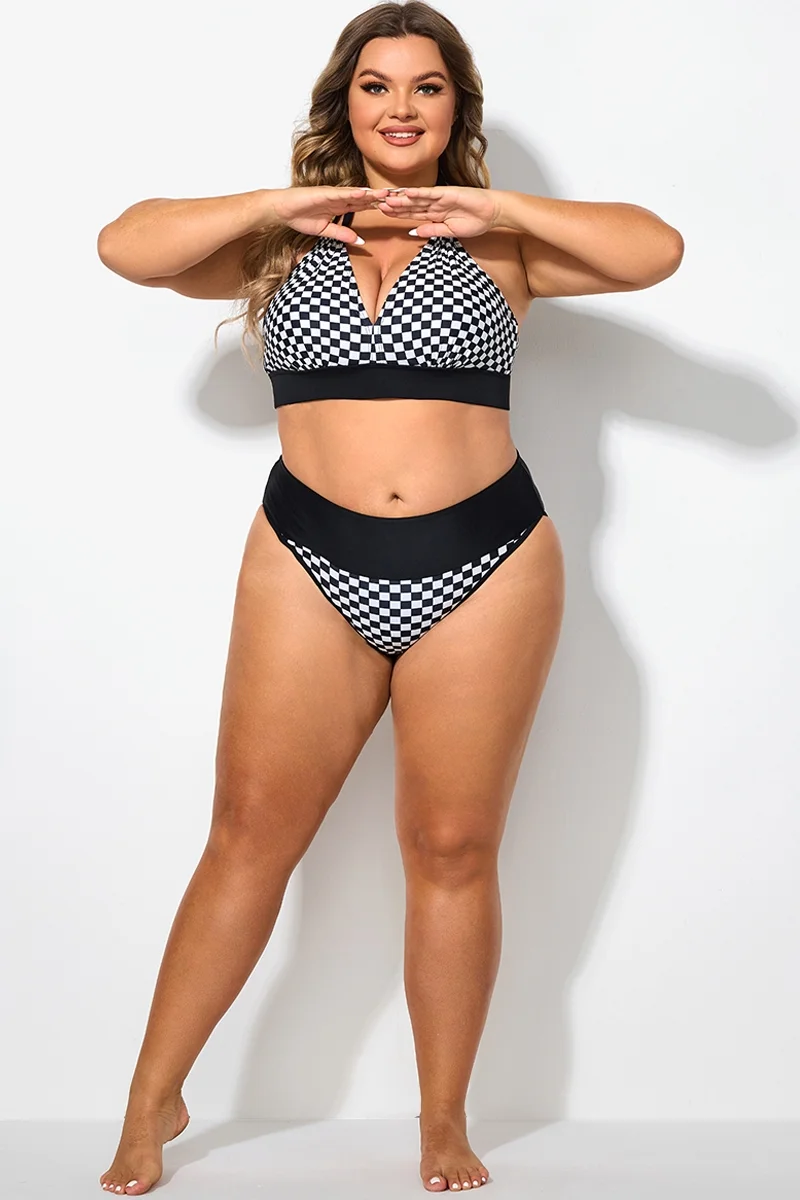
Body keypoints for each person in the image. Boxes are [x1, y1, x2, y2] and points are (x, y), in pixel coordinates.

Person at [95, 2, 683, 1194]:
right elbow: (125, 246)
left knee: (452, 846)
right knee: (248, 835)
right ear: (343, 103)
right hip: (307, 555)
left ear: (456, 108)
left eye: (426, 87)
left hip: (487, 560)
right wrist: (279, 202)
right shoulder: (279, 244)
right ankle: (153, 1095)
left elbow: (655, 250)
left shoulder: (501, 247)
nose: (400, 108)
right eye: (376, 85)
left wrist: (498, 209)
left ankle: (441, 1121)